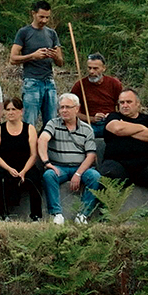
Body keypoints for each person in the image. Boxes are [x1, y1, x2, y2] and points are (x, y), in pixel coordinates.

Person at [95, 90, 148, 216]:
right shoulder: (114, 116)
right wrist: (141, 128)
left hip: (146, 164)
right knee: (106, 175)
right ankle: (107, 216)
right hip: (117, 163)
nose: (125, 105)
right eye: (122, 102)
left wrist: (127, 129)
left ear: (138, 104)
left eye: (129, 102)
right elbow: (117, 129)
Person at [37, 93, 100, 225]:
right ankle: (56, 214)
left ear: (77, 108)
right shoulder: (53, 123)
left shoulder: (86, 129)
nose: (64, 110)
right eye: (61, 107)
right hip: (59, 166)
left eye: (67, 107)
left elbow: (91, 155)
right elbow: (42, 139)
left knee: (95, 176)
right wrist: (46, 162)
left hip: (80, 167)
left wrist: (78, 174)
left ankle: (83, 215)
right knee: (49, 175)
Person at [8, 2, 62, 127]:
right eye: (41, 17)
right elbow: (13, 58)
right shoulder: (24, 32)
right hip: (32, 82)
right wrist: (33, 56)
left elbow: (60, 62)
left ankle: (47, 146)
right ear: (33, 14)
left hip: (49, 82)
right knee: (30, 122)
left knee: (52, 122)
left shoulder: (52, 34)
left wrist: (54, 56)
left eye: (47, 17)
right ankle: (30, 145)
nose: (44, 20)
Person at [0, 98, 42, 219]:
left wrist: (24, 171)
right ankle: (3, 214)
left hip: (25, 166)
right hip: (3, 166)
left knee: (35, 179)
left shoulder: (30, 129)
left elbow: (33, 155)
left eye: (13, 109)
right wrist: (9, 169)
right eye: (7, 110)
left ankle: (36, 215)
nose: (10, 112)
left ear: (21, 111)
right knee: (0, 178)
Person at [71, 53, 123, 126]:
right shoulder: (80, 85)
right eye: (89, 68)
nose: (91, 72)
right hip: (88, 124)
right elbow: (72, 111)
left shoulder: (114, 84)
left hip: (111, 123)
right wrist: (91, 119)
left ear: (103, 68)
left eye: (95, 68)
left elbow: (123, 107)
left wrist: (112, 116)